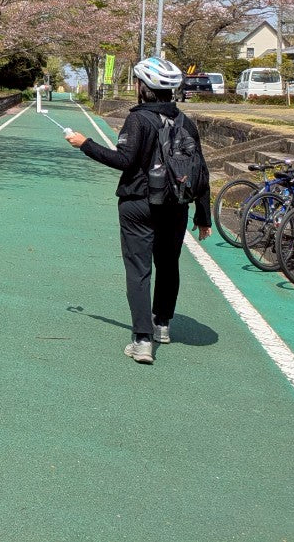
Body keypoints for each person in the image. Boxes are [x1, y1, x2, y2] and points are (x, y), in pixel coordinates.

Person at [65, 57, 211, 364]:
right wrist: (203, 215)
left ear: (142, 87)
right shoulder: (187, 122)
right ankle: (162, 326)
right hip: (175, 205)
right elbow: (201, 170)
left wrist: (84, 143)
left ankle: (142, 340)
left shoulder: (138, 120)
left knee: (139, 269)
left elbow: (124, 161)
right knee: (169, 266)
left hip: (138, 205)